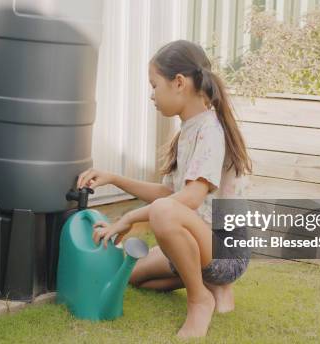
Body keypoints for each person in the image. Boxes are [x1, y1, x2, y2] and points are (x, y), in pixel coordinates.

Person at [76, 39, 252, 338]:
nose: (152, 95)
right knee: (133, 277)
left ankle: (201, 299)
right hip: (198, 241)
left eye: (154, 85)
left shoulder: (209, 131)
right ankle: (213, 286)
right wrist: (114, 178)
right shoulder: (188, 129)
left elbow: (190, 199)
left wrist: (129, 218)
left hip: (225, 251)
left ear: (179, 83)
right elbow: (167, 194)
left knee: (163, 212)